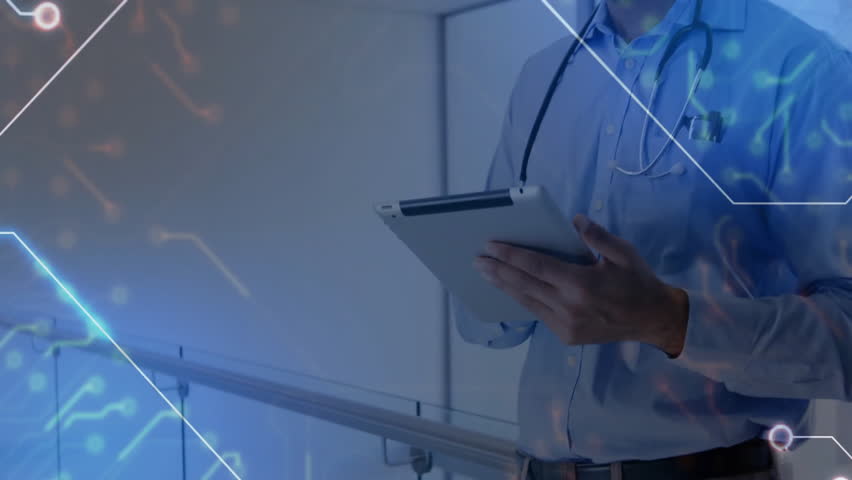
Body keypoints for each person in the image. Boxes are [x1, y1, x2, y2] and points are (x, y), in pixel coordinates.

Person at [455, 0, 852, 479]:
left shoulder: (799, 65)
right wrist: (495, 281)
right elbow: (482, 321)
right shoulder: (543, 76)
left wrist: (669, 321)